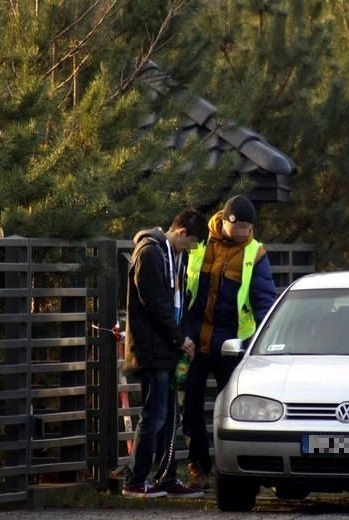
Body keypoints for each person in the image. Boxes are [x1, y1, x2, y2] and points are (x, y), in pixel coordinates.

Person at [182, 194, 277, 489]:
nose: (243, 235)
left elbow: (264, 300)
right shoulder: (199, 244)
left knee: (235, 409)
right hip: (194, 342)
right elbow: (182, 291)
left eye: (248, 230)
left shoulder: (255, 254)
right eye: (238, 229)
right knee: (190, 405)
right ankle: (199, 467)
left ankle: (237, 472)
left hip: (233, 345)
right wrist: (181, 332)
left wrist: (263, 341)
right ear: (224, 222)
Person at [121, 208, 209, 498]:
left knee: (171, 415)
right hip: (151, 348)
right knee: (154, 415)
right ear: (182, 233)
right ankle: (135, 479)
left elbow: (179, 301)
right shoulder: (150, 253)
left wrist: (184, 338)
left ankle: (166, 478)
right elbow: (155, 303)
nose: (192, 249)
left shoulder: (177, 258)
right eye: (193, 242)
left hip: (170, 349)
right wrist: (179, 337)